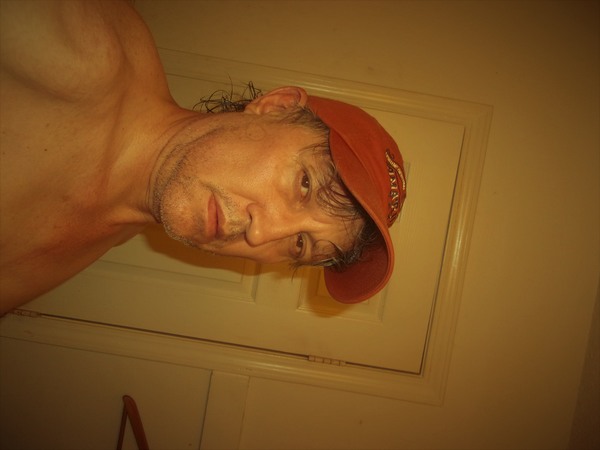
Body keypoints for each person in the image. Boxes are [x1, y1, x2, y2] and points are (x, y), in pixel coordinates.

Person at [0, 0, 406, 315]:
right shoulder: (74, 46)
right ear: (277, 106)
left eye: (300, 244)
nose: (261, 235)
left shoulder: (121, 225)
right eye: (304, 184)